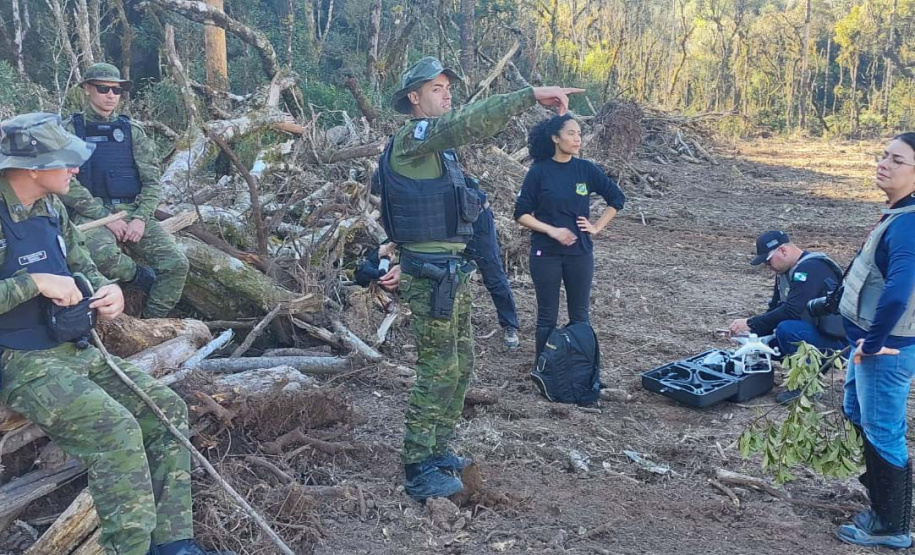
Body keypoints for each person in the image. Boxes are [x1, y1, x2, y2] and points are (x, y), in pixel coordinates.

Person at [0, 113, 230, 555]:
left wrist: (107, 291)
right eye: (65, 160)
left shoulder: (50, 208)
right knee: (117, 432)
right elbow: (36, 280)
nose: (75, 169)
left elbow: (81, 262)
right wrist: (33, 283)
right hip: (19, 358)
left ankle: (174, 545)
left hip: (72, 345)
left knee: (165, 410)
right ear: (31, 167)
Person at [376, 56, 583, 501]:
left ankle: (438, 449)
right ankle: (417, 467)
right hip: (430, 276)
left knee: (462, 364)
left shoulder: (439, 151)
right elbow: (468, 123)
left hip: (451, 273)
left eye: (447, 87)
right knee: (438, 368)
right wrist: (527, 96)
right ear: (413, 98)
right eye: (436, 88)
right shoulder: (416, 139)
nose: (446, 93)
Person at [831, 133, 915, 549]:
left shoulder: (909, 225)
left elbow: (899, 291)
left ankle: (892, 524)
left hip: (885, 351)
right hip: (872, 346)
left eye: (897, 160)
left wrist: (874, 341)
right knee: (859, 412)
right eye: (884, 156)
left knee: (883, 430)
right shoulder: (898, 215)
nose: (884, 164)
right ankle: (886, 497)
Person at [62, 62, 189, 318]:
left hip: (132, 210)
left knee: (176, 264)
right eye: (103, 88)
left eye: (117, 90)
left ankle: (153, 321)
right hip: (91, 214)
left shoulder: (132, 132)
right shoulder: (70, 131)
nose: (110, 95)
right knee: (104, 257)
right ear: (87, 89)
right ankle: (139, 277)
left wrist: (141, 218)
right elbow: (65, 184)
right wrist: (103, 217)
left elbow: (153, 181)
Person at [513, 114, 625, 365]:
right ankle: (543, 369)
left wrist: (596, 227)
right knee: (547, 318)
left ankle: (580, 369)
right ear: (555, 138)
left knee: (580, 317)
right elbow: (520, 213)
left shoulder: (585, 169)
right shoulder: (538, 172)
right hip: (546, 254)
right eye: (571, 134)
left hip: (580, 253)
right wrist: (551, 230)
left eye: (579, 134)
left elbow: (616, 199)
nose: (577, 139)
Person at [727, 230, 847, 402]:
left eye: (768, 261)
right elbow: (774, 308)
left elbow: (791, 310)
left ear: (783, 251)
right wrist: (752, 335)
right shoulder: (785, 273)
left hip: (838, 344)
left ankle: (807, 386)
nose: (767, 267)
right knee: (761, 340)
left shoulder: (811, 268)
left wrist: (750, 323)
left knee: (786, 329)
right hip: (813, 333)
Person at [464, 178, 521, 350]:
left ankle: (510, 325)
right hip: (446, 223)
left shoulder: (447, 159)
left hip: (478, 219)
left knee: (493, 275)